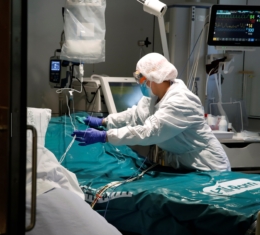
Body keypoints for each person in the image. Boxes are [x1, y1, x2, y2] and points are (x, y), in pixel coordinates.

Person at [72, 52, 231, 172]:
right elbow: (134, 115)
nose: (139, 83)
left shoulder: (181, 101)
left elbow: (149, 132)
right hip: (185, 166)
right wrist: (104, 121)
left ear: (154, 77)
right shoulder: (153, 97)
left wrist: (105, 136)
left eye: (141, 78)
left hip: (208, 166)